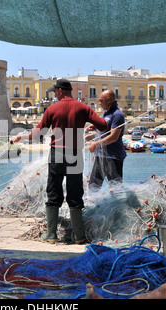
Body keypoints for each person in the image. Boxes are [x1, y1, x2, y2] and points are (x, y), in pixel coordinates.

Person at [12, 79, 108, 244]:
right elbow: (104, 125)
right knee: (75, 192)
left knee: (53, 190)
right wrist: (91, 125)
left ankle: (51, 234)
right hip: (75, 155)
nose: (54, 95)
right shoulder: (83, 108)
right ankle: (79, 236)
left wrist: (21, 137)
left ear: (61, 91)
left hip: (57, 154)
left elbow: (38, 134)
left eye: (55, 92)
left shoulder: (52, 109)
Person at [85, 90, 126, 189]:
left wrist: (96, 144)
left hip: (113, 157)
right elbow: (104, 132)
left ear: (108, 100)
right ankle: (91, 204)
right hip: (100, 156)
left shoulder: (117, 115)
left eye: (101, 100)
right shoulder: (105, 113)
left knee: (115, 189)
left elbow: (113, 137)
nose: (99, 103)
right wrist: (94, 134)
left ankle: (119, 205)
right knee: (92, 186)